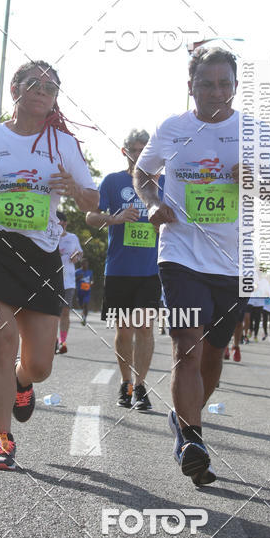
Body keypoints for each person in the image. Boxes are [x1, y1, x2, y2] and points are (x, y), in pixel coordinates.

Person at [134, 46, 270, 484]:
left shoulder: (255, 131)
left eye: (225, 84)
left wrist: (253, 180)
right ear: (191, 88)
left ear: (236, 87)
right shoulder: (171, 128)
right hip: (180, 254)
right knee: (187, 345)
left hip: (234, 262)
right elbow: (143, 174)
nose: (216, 92)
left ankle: (185, 422)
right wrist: (151, 204)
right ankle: (192, 440)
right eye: (207, 84)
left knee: (212, 356)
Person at [0, 60, 98, 470]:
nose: (41, 91)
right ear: (15, 88)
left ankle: (23, 381)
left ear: (55, 98)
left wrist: (73, 189)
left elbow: (92, 200)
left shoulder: (62, 144)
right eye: (33, 83)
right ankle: (2, 439)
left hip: (41, 256)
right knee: (0, 343)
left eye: (50, 87)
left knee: (40, 365)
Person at [86, 129, 161, 412]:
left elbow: (180, 219)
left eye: (146, 150)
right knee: (124, 328)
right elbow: (91, 216)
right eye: (135, 149)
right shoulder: (112, 181)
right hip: (119, 268)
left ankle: (140, 386)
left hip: (151, 269)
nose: (140, 154)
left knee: (144, 327)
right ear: (125, 151)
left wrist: (161, 221)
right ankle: (125, 382)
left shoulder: (162, 183)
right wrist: (114, 219)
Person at [55, 212, 82, 354]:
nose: (58, 224)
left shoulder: (72, 238)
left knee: (65, 312)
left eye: (60, 221)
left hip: (69, 281)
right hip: (51, 281)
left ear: (65, 223)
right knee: (52, 313)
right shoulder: (49, 236)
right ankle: (52, 341)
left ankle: (62, 341)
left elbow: (79, 253)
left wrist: (76, 256)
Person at [75, 259, 94, 324]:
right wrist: (79, 278)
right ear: (81, 264)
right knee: (81, 305)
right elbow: (73, 280)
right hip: (79, 291)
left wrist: (91, 282)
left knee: (85, 304)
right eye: (84, 264)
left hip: (87, 291)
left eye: (87, 264)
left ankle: (84, 318)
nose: (86, 265)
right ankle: (83, 313)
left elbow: (91, 279)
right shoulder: (77, 272)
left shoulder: (90, 272)